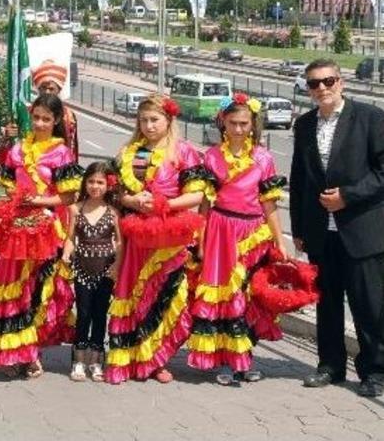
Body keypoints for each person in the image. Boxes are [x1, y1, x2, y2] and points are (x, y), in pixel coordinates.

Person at [0, 93, 82, 379]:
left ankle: (31, 352)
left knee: (38, 290)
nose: (40, 123)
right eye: (36, 117)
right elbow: (7, 183)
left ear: (56, 121)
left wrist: (38, 202)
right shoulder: (18, 149)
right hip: (17, 228)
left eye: (46, 118)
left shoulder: (61, 153)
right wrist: (18, 199)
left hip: (46, 229)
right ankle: (13, 351)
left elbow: (68, 196)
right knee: (13, 287)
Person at [290, 59, 384, 397]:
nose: (322, 89)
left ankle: (375, 371)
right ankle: (330, 365)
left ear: (340, 82)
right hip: (320, 232)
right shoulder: (303, 125)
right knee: (326, 304)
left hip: (362, 230)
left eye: (327, 81)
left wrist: (348, 196)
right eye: (314, 84)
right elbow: (299, 179)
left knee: (369, 306)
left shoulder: (370, 118)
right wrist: (298, 228)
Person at [105, 94, 209, 384]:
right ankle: (133, 357)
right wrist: (133, 200)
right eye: (144, 120)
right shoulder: (130, 151)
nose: (149, 126)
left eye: (155, 120)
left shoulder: (183, 153)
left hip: (169, 236)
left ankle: (157, 358)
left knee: (166, 295)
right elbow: (115, 192)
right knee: (136, 294)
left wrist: (164, 204)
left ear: (168, 121)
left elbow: (198, 194)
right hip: (136, 236)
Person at [187, 93, 287, 387]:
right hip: (220, 230)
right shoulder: (212, 156)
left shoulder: (264, 158)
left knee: (248, 297)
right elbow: (205, 205)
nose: (239, 129)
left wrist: (280, 241)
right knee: (223, 296)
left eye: (245, 124)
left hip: (253, 233)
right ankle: (227, 362)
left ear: (253, 124)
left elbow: (269, 204)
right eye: (233, 123)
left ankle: (245, 359)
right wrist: (201, 241)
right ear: (223, 123)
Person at [61, 161, 121, 382]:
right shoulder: (75, 208)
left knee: (100, 314)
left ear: (108, 185)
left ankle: (96, 360)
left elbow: (120, 243)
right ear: (85, 183)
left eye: (100, 182)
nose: (95, 186)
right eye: (91, 181)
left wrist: (116, 266)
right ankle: (78, 359)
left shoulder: (113, 212)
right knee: (83, 313)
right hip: (83, 270)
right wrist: (67, 254)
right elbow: (70, 237)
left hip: (105, 270)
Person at [28, 32, 79, 162]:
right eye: (43, 88)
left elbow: (72, 147)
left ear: (59, 90)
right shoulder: (27, 112)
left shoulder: (68, 116)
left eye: (51, 88)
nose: (47, 91)